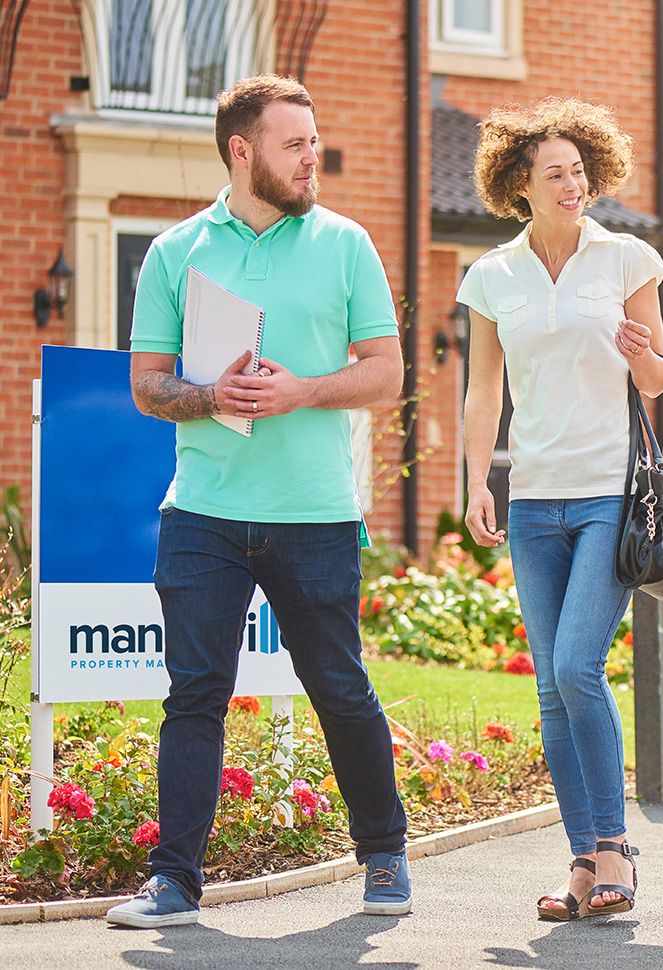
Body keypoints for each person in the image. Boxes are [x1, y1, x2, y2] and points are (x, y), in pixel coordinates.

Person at [105, 74, 411, 928]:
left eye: (313, 142)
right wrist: (210, 398)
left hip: (313, 512)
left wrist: (303, 390)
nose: (312, 157)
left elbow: (387, 373)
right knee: (194, 693)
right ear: (242, 151)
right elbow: (146, 386)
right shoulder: (175, 253)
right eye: (293, 144)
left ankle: (384, 855)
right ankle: (174, 883)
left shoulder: (346, 244)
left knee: (339, 688)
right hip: (202, 509)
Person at [458, 97, 663, 920]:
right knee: (550, 687)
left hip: (608, 493)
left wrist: (642, 356)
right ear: (522, 185)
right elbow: (484, 388)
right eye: (555, 175)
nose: (573, 185)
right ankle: (583, 861)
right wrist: (479, 480)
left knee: (579, 664)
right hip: (535, 497)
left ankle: (616, 847)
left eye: (579, 171)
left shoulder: (626, 260)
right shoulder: (491, 276)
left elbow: (657, 383)